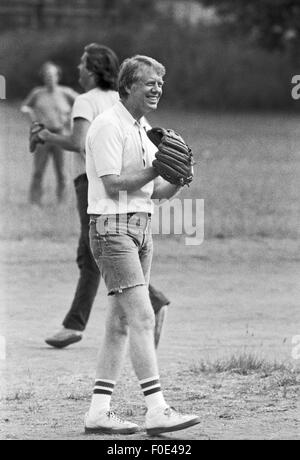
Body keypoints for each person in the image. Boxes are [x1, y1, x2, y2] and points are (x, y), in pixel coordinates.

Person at [84, 55, 200, 435]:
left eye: (161, 84)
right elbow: (113, 183)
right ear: (129, 85)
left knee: (119, 323)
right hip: (112, 229)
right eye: (150, 83)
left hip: (141, 229)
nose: (157, 89)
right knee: (143, 316)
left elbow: (156, 193)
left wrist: (180, 177)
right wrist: (157, 166)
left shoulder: (143, 127)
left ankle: (99, 412)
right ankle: (157, 409)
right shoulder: (107, 126)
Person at [37, 44, 170, 349]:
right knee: (103, 253)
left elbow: (79, 142)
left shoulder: (85, 101)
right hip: (129, 192)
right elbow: (148, 139)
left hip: (92, 182)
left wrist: (47, 137)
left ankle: (82, 322)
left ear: (94, 70)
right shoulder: (122, 101)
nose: (79, 69)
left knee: (93, 252)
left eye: (84, 64)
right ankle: (89, 321)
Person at [21, 62, 78, 205]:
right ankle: (34, 202)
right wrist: (30, 115)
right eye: (46, 76)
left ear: (57, 77)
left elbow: (83, 103)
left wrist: (71, 116)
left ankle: (62, 203)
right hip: (42, 135)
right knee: (38, 171)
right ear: (43, 78)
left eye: (52, 75)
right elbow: (25, 107)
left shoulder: (66, 92)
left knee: (62, 172)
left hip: (61, 135)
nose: (49, 78)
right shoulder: (37, 93)